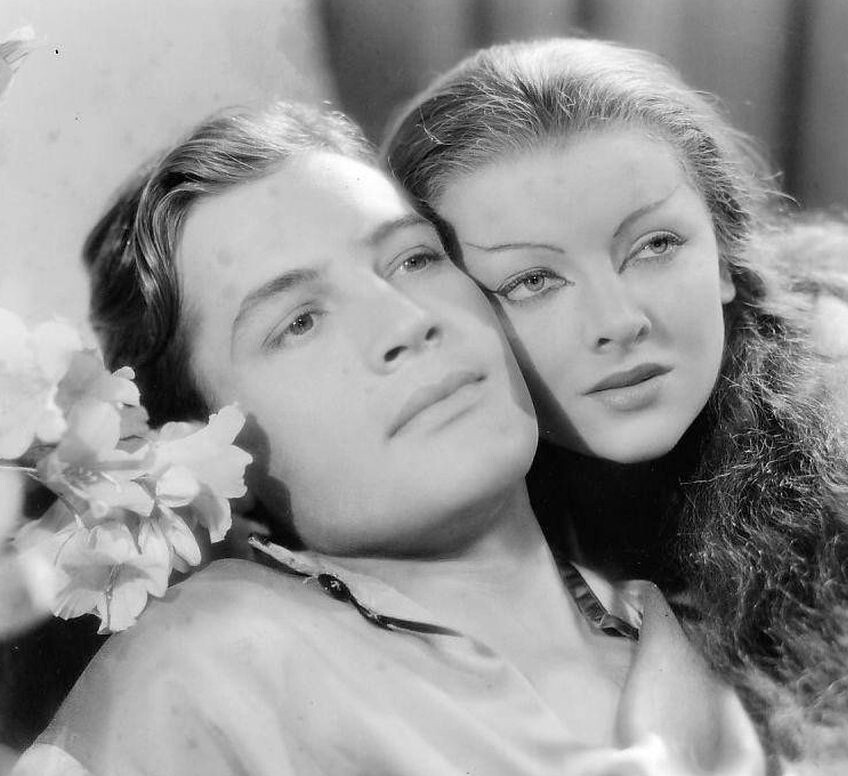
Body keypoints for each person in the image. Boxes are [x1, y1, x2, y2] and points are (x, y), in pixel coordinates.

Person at [13, 102, 769, 776]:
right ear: (205, 451)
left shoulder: (734, 640)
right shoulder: (204, 672)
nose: (407, 321)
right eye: (299, 322)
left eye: (414, 259)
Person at [382, 38, 848, 772]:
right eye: (532, 281)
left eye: (655, 245)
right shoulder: (439, 483)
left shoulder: (828, 366)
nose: (618, 321)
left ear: (724, 258)